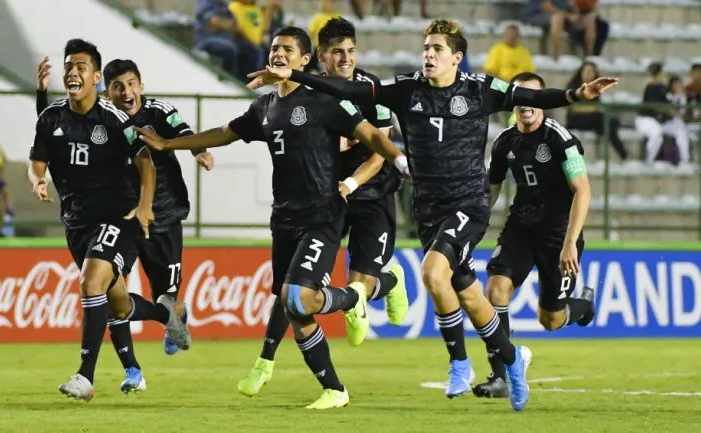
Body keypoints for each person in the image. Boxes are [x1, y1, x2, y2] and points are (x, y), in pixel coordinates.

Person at [247, 19, 619, 411]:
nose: (429, 54)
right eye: (426, 47)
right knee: (471, 297)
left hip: (468, 205)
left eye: (438, 49)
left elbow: (532, 96)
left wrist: (579, 92)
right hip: (428, 208)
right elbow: (350, 88)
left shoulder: (480, 89)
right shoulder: (406, 89)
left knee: (432, 272)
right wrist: (298, 77)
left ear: (457, 57)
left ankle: (459, 362)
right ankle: (512, 360)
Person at [137, 26, 408, 409]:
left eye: (287, 49)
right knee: (295, 309)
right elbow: (225, 133)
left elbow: (370, 135)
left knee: (297, 296)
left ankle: (351, 299)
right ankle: (334, 389)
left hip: (322, 215)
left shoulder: (326, 100)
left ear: (304, 61)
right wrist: (169, 144)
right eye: (275, 47)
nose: (278, 53)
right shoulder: (265, 107)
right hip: (284, 220)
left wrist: (399, 159)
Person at [235, 17, 409, 398]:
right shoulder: (314, 91)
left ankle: (389, 280)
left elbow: (378, 150)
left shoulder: (370, 91)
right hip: (330, 197)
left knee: (354, 287)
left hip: (370, 194)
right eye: (337, 53)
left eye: (351, 52)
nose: (345, 60)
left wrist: (351, 181)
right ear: (323, 58)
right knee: (292, 289)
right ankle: (265, 361)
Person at [35, 56, 214, 393]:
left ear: (141, 87)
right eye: (118, 87)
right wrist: (40, 96)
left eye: (132, 84)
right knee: (107, 286)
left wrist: (199, 151)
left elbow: (183, 130)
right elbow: (55, 126)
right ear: (108, 92)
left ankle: (172, 317)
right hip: (124, 216)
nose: (126, 91)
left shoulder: (158, 110)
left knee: (167, 299)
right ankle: (131, 369)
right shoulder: (106, 119)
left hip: (165, 215)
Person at [472, 72, 596, 398]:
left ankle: (582, 305)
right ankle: (500, 376)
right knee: (496, 290)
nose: (526, 104)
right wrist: (473, 225)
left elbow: (583, 191)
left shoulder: (559, 139)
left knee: (551, 320)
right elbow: (493, 187)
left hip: (558, 233)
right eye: (520, 97)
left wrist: (570, 242)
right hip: (521, 227)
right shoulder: (505, 142)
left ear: (542, 102)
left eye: (533, 97)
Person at [565, 61, 628, 161]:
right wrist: (593, 109)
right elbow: (574, 108)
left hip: (592, 118)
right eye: (587, 71)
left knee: (612, 122)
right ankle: (623, 154)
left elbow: (597, 106)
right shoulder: (573, 86)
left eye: (591, 72)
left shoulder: (595, 87)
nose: (589, 74)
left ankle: (619, 155)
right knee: (605, 121)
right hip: (576, 119)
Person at [635, 62, 690, 164]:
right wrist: (671, 112)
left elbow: (670, 106)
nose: (663, 75)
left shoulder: (663, 88)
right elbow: (658, 107)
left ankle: (685, 161)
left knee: (680, 130)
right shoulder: (651, 87)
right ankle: (648, 162)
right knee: (656, 134)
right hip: (647, 119)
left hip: (662, 121)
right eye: (662, 73)